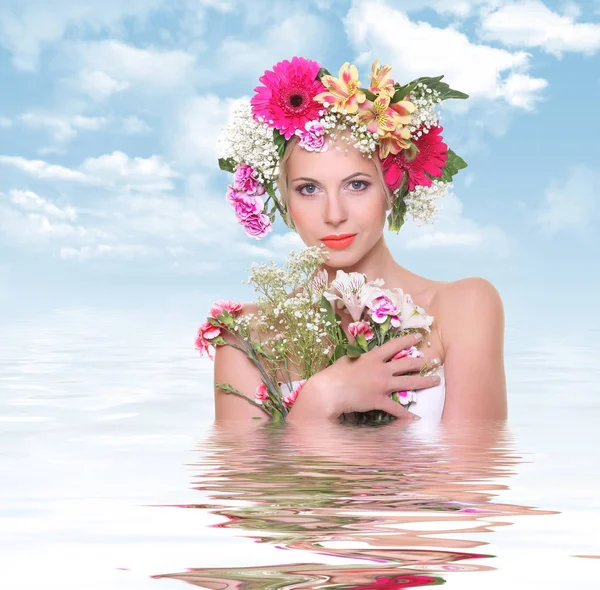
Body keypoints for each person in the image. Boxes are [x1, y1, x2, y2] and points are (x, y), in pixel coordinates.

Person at [212, 57, 507, 423]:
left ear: (391, 190)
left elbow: (476, 472)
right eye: (308, 189)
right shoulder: (245, 336)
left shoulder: (463, 306)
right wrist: (321, 398)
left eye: (356, 185)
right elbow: (246, 479)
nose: (334, 214)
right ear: (284, 202)